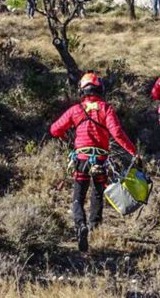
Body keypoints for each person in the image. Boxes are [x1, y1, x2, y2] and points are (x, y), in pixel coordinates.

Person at [50, 73, 139, 253]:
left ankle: (80, 225)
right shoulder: (106, 109)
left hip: (81, 159)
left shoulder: (75, 110)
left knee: (78, 197)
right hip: (100, 159)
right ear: (100, 90)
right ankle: (94, 228)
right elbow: (118, 133)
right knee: (98, 194)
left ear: (82, 90)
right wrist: (134, 152)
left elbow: (54, 129)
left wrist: (67, 138)